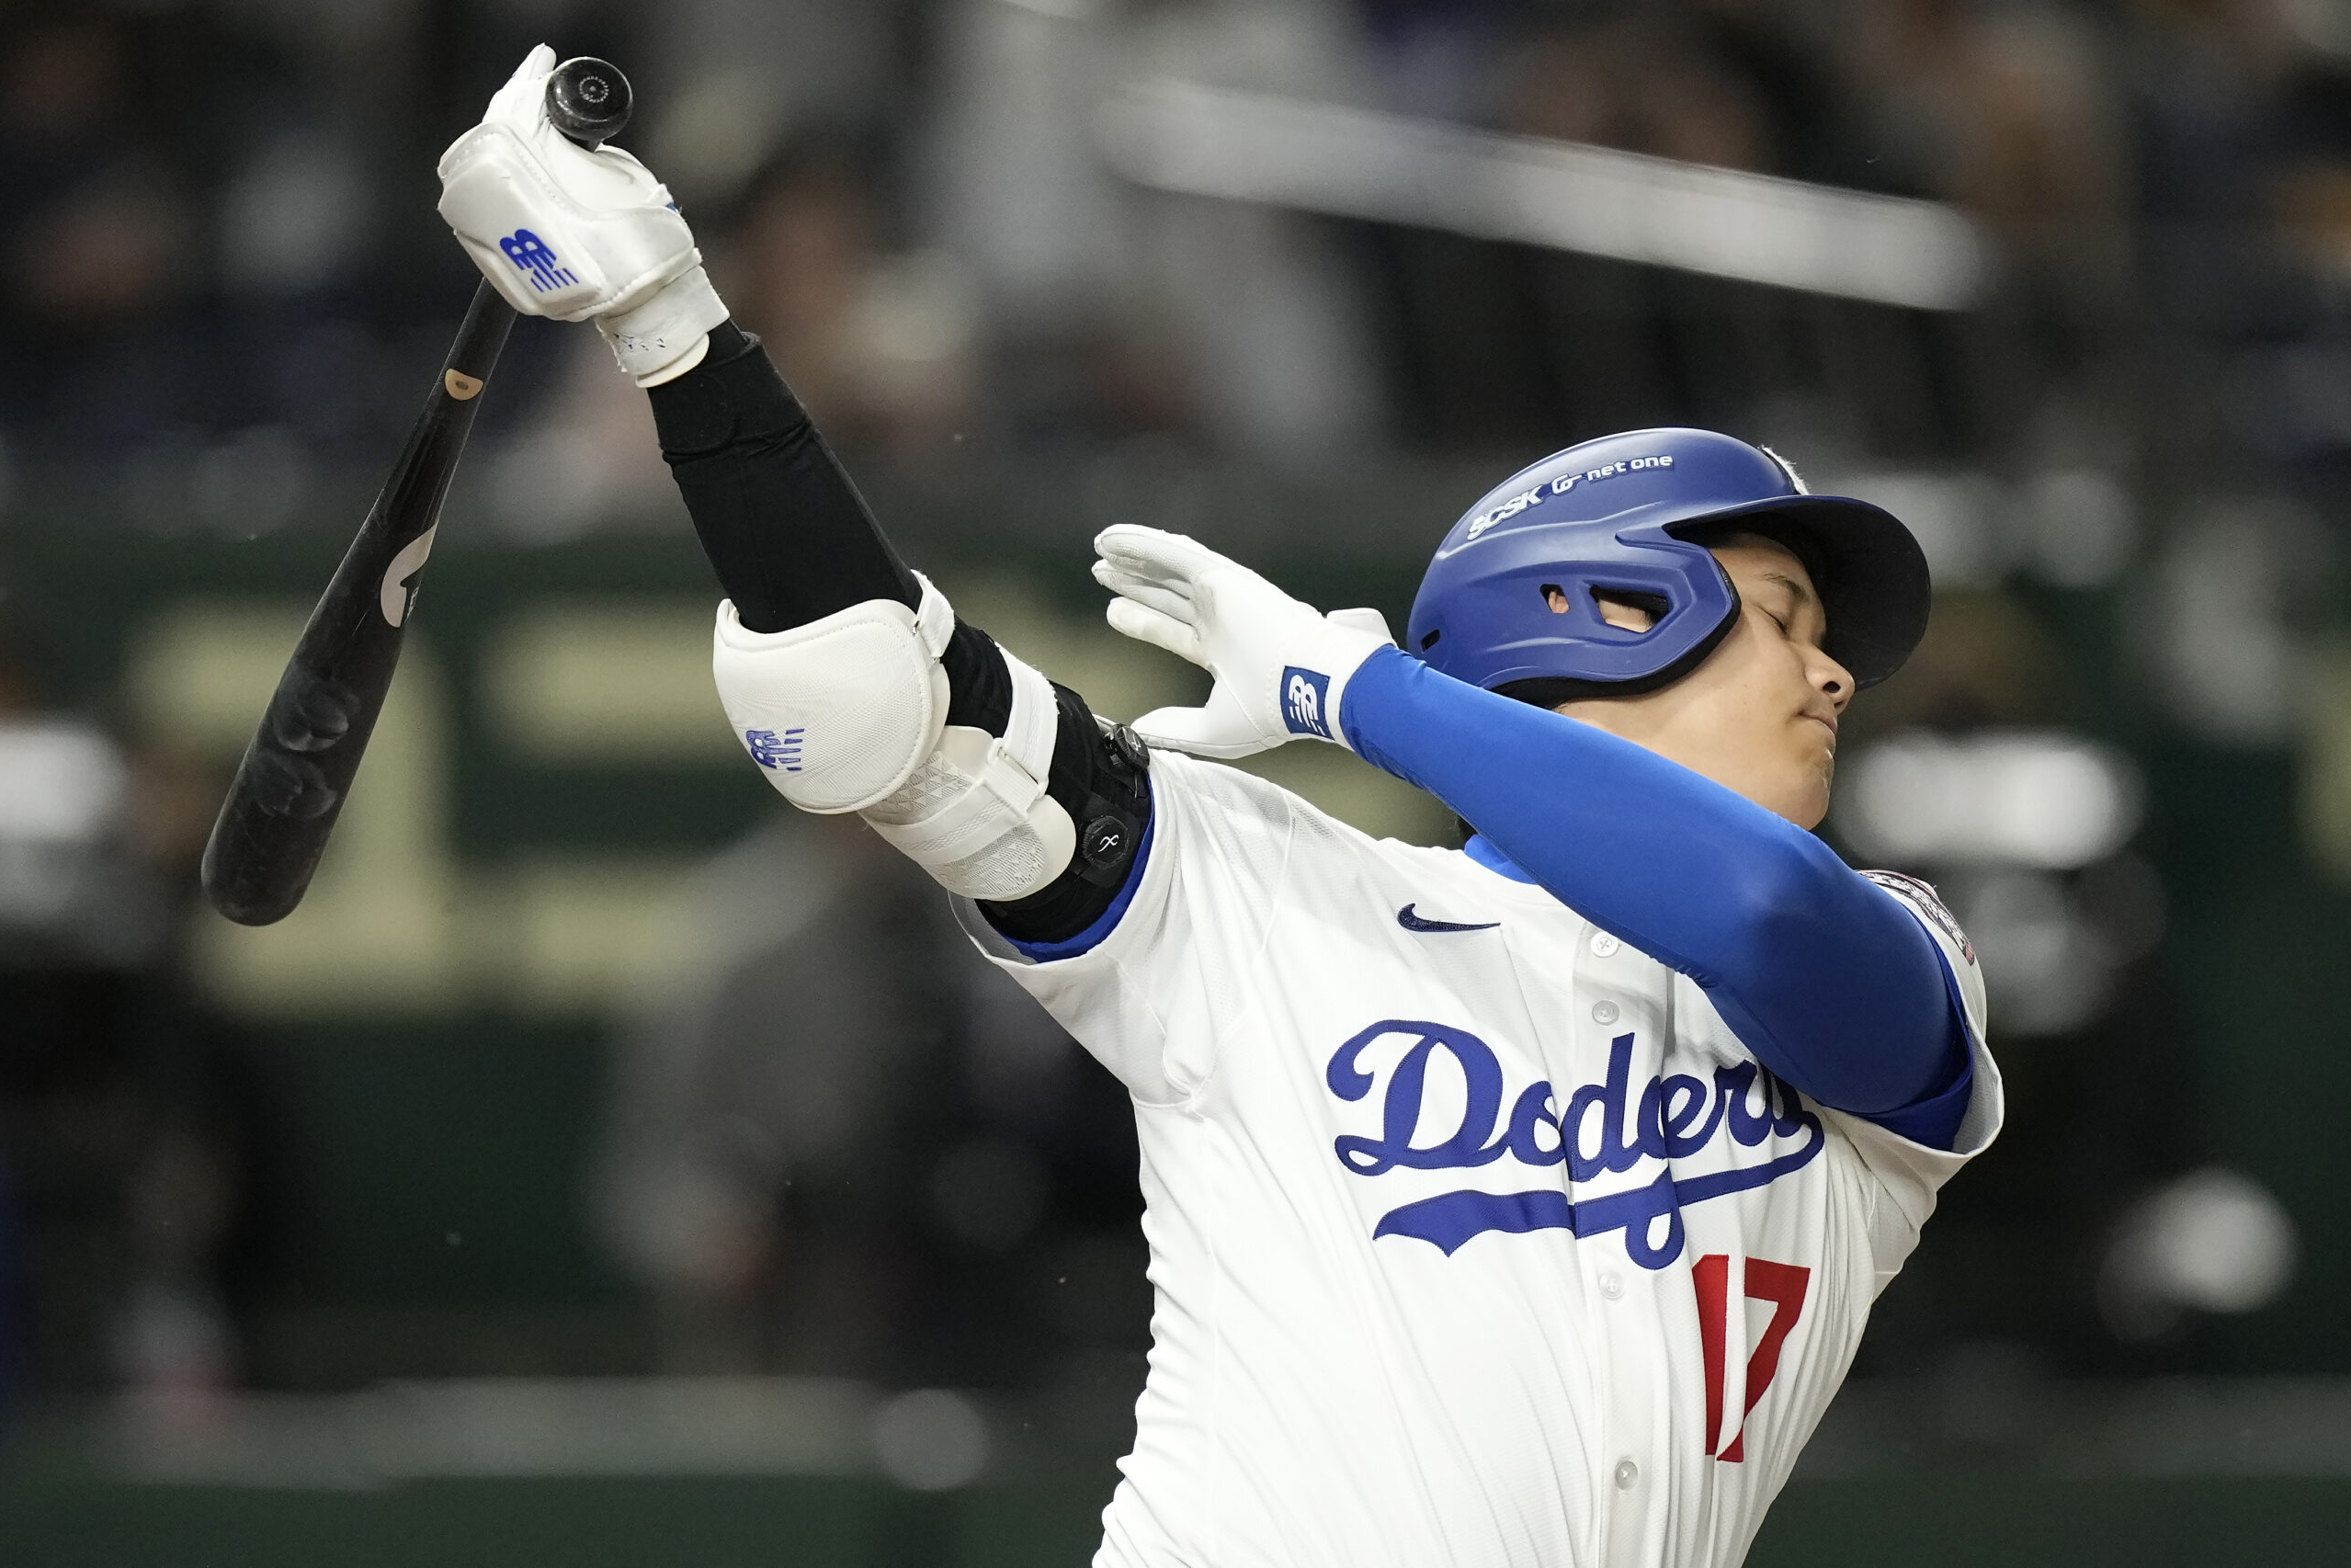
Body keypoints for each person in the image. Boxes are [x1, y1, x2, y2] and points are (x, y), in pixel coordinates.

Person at [439, 48, 2000, 1568]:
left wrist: (1357, 692)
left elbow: (1764, 912)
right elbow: (891, 684)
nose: (1837, 679)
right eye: (1787, 617)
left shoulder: (1901, 962)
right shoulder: (1266, 890)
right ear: (1604, 604)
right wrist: (671, 322)